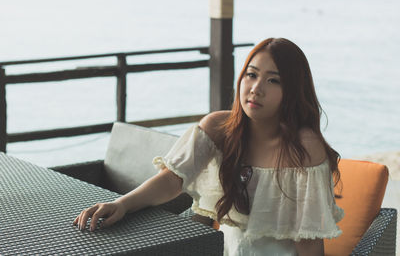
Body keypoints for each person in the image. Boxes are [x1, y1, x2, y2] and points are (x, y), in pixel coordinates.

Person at [73, 38, 344, 256]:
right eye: (251, 75)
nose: (256, 89)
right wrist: (122, 204)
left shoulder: (304, 147)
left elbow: (308, 242)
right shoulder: (218, 128)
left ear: (294, 91)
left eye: (274, 80)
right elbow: (171, 180)